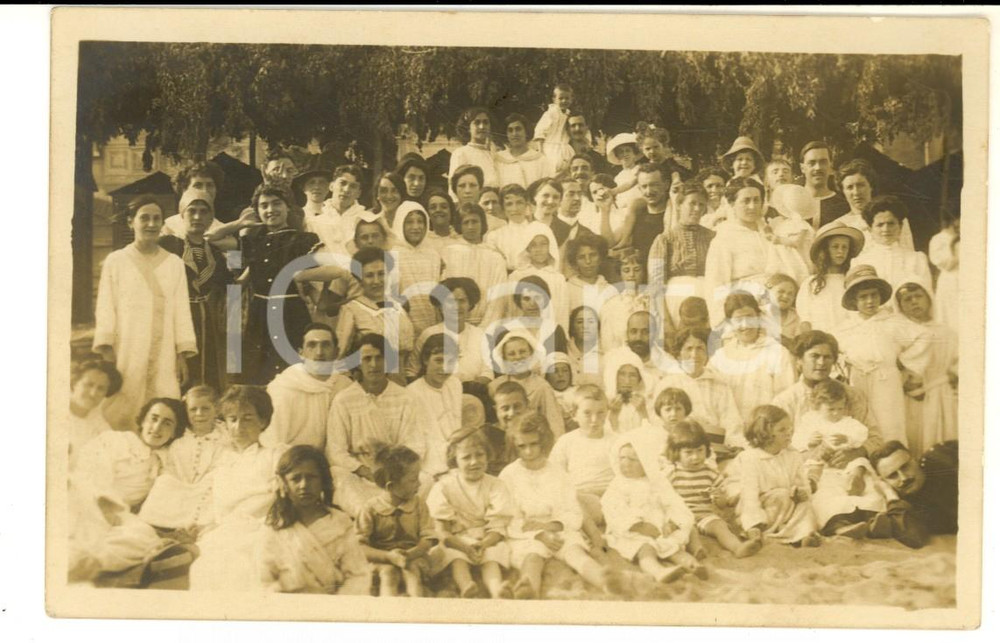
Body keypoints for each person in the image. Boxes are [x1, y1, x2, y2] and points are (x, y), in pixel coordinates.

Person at [93, 196, 198, 430]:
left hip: (164, 351)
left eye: (156, 219)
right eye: (144, 218)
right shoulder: (116, 261)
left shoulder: (174, 263)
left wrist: (182, 353)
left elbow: (181, 309)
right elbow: (105, 306)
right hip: (127, 347)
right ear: (131, 222)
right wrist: (107, 349)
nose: (151, 224)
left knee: (163, 404)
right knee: (122, 403)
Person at [500, 413, 627, 599]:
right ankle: (528, 590)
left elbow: (572, 510)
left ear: (543, 441)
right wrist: (539, 533)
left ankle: (606, 582)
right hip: (526, 533)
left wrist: (553, 526)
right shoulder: (509, 475)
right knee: (532, 557)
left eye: (533, 444)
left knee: (575, 553)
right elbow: (509, 517)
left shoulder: (557, 473)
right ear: (514, 445)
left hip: (558, 527)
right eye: (522, 446)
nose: (528, 451)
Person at [188, 386, 290, 591]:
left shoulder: (275, 455)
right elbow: (217, 507)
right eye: (232, 419)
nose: (238, 426)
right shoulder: (224, 463)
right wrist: (207, 524)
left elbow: (283, 497)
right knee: (207, 564)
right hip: (226, 531)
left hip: (263, 529)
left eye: (247, 418)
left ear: (263, 421)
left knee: (243, 563)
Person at [325, 333, 427, 518]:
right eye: (367, 359)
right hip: (360, 473)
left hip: (397, 472)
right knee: (338, 475)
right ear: (358, 364)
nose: (374, 365)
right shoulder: (344, 400)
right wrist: (365, 471)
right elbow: (336, 451)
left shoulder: (405, 398)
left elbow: (415, 443)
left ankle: (400, 515)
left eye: (379, 358)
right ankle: (369, 518)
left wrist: (395, 472)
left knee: (427, 480)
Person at [234, 184, 322, 385]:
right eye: (264, 206)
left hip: (291, 313)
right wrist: (240, 229)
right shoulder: (253, 242)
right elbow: (238, 278)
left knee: (293, 373)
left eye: (276, 204)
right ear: (257, 212)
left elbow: (318, 277)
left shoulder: (303, 240)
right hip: (259, 316)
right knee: (258, 372)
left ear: (288, 207)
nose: (270, 210)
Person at [836, 265, 932, 445]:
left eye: (874, 295)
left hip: (886, 380)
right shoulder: (845, 328)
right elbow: (835, 351)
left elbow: (924, 336)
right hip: (857, 381)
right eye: (863, 297)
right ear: (854, 301)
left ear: (880, 296)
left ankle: (894, 463)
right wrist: (845, 367)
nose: (870, 301)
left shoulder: (893, 322)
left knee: (889, 423)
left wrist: (904, 364)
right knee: (860, 422)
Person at [257, 445, 372, 595]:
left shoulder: (340, 523)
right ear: (283, 483)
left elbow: (358, 576)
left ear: (323, 481)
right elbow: (265, 581)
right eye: (296, 479)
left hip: (333, 605)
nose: (304, 485)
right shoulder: (273, 527)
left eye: (311, 477)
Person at [158, 188, 233, 393]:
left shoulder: (217, 254)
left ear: (211, 217)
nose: (198, 216)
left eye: (204, 211)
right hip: (176, 319)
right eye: (192, 211)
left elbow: (232, 283)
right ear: (182, 214)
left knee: (208, 375)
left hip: (207, 323)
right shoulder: (168, 245)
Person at [426, 427, 514, 598]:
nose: (474, 462)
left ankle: (497, 590)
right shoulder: (444, 486)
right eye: (466, 457)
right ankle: (466, 586)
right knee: (454, 556)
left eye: (480, 455)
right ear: (454, 460)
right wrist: (464, 547)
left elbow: (498, 526)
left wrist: (484, 543)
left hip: (486, 539)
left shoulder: (496, 485)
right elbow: (442, 531)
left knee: (492, 556)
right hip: (456, 540)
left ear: (487, 455)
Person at [602, 434, 699, 583]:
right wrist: (636, 526)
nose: (626, 463)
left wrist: (671, 522)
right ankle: (658, 571)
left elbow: (674, 504)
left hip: (660, 528)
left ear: (646, 462)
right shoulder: (617, 485)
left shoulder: (657, 481)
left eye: (633, 459)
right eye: (622, 458)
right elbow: (613, 510)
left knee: (673, 546)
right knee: (645, 549)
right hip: (632, 532)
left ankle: (692, 565)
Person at [771, 330, 884, 454]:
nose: (821, 362)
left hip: (849, 464)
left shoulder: (852, 395)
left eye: (827, 357)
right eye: (814, 356)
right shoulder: (784, 401)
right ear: (799, 360)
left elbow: (876, 439)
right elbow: (776, 445)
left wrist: (858, 453)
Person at [663, 420, 762, 558]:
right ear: (676, 453)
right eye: (688, 452)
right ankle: (697, 551)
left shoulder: (710, 473)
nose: (695, 457)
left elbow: (722, 505)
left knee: (720, 526)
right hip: (681, 515)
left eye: (700, 451)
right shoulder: (672, 473)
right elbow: (662, 497)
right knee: (686, 529)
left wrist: (719, 498)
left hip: (704, 516)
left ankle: (737, 547)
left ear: (707, 450)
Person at [138, 386, 228, 531]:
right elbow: (168, 462)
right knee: (164, 482)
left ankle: (194, 529)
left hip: (205, 486)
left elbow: (224, 464)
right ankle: (159, 525)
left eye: (205, 409)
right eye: (193, 409)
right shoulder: (180, 436)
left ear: (217, 410)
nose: (199, 414)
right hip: (178, 485)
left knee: (214, 489)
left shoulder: (224, 437)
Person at [730, 405, 821, 547]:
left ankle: (805, 535)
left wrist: (802, 491)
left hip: (788, 504)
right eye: (782, 430)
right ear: (764, 434)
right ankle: (761, 533)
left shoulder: (793, 455)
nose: (789, 433)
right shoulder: (751, 459)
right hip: (761, 508)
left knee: (805, 505)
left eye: (790, 428)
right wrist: (753, 524)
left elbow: (802, 482)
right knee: (781, 495)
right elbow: (750, 496)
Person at [74, 397, 187, 511]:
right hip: (89, 504)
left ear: (174, 432)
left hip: (123, 516)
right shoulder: (116, 441)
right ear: (143, 421)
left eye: (167, 423)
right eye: (153, 419)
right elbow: (87, 476)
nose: (157, 427)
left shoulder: (166, 463)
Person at [357, 445, 438, 597]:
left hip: (413, 557)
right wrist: (388, 557)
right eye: (413, 480)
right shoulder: (370, 509)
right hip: (382, 560)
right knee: (389, 574)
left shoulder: (419, 505)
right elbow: (360, 547)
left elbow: (428, 539)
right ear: (391, 486)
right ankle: (389, 610)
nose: (419, 484)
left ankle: (418, 609)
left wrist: (410, 554)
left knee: (412, 570)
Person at [707, 292, 796, 424]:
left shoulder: (778, 353)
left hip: (765, 431)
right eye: (738, 320)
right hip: (728, 433)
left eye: (750, 317)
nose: (745, 325)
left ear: (759, 317)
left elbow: (785, 401)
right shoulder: (719, 359)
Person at [792, 379, 889, 500]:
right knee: (813, 465)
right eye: (831, 409)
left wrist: (848, 439)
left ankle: (856, 480)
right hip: (820, 458)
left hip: (847, 458)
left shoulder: (848, 422)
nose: (836, 413)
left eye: (840, 408)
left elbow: (862, 435)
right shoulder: (810, 421)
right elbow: (796, 440)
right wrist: (809, 442)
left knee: (859, 463)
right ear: (817, 407)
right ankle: (812, 482)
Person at [262, 323, 352, 450]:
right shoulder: (284, 388)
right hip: (292, 461)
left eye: (326, 345)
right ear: (301, 353)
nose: (319, 352)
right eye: (311, 345)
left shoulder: (345, 386)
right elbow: (272, 443)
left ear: (336, 352)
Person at [654, 327, 745, 452]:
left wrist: (735, 446)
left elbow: (732, 423)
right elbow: (658, 423)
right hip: (679, 449)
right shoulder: (668, 384)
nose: (694, 355)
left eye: (700, 348)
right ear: (679, 353)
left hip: (715, 448)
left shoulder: (719, 384)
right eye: (689, 349)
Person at [895, 282, 958, 455]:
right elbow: (896, 365)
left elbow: (958, 362)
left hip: (943, 394)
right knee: (917, 438)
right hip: (913, 397)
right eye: (907, 299)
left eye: (919, 296)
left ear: (929, 299)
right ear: (899, 306)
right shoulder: (900, 333)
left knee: (945, 439)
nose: (914, 302)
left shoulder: (947, 332)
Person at [702, 177, 772, 327]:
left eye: (756, 200)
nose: (752, 206)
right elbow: (715, 284)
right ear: (733, 204)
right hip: (743, 309)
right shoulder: (724, 238)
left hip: (776, 302)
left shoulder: (770, 232)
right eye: (745, 201)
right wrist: (723, 321)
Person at [646, 180, 716, 327]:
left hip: (708, 298)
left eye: (701, 205)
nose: (697, 209)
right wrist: (665, 321)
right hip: (674, 301)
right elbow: (656, 285)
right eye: (692, 203)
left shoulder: (713, 238)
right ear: (679, 205)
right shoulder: (664, 240)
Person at [334, 248, 415, 370]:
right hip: (370, 379)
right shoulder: (351, 309)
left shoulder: (399, 305)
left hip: (402, 378)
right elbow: (340, 356)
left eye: (381, 274)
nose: (376, 281)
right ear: (359, 279)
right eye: (369, 275)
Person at [409, 278, 493, 384]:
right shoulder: (428, 334)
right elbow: (411, 371)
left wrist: (469, 388)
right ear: (440, 306)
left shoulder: (480, 335)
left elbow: (488, 372)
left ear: (470, 305)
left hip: (472, 394)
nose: (456, 307)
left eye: (462, 301)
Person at [871, 440, 958, 542]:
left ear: (915, 459)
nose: (903, 478)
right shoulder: (904, 504)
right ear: (884, 481)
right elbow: (913, 537)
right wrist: (890, 495)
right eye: (892, 475)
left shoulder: (941, 460)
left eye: (905, 467)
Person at [487, 329, 567, 438]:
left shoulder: (542, 387)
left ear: (531, 354)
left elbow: (554, 424)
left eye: (523, 352)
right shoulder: (494, 386)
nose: (518, 357)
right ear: (504, 358)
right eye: (511, 354)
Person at [440, 204, 508, 327]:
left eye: (475, 221)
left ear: (483, 224)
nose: (471, 227)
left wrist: (485, 329)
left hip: (486, 323)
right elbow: (445, 291)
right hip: (455, 322)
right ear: (459, 225)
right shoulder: (449, 252)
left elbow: (498, 298)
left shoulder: (495, 257)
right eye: (466, 222)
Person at [406, 333, 463, 480]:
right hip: (429, 464)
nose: (444, 368)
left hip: (458, 457)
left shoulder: (455, 384)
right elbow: (417, 442)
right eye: (438, 361)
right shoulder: (412, 393)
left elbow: (456, 427)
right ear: (425, 360)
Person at [851, 195, 932, 295]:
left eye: (891, 223)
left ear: (900, 226)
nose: (886, 229)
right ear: (870, 229)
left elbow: (926, 295)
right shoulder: (859, 262)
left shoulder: (917, 259)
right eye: (880, 225)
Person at [795, 222, 865, 336]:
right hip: (821, 340)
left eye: (844, 247)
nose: (840, 251)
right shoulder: (811, 283)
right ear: (825, 250)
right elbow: (805, 320)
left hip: (849, 338)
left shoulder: (851, 281)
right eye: (835, 246)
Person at [389, 201, 444, 337]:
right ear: (400, 223)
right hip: (403, 321)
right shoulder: (392, 254)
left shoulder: (433, 254)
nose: (416, 227)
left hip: (431, 320)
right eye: (409, 222)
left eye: (420, 222)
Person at [832, 159, 915, 251]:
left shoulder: (895, 218)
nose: (856, 192)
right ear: (843, 191)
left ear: (871, 186)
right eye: (850, 187)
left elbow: (908, 253)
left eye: (860, 185)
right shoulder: (839, 225)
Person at [67, 360, 122, 471]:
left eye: (101, 388)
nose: (93, 393)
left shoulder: (99, 422)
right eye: (88, 385)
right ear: (74, 383)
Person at [308, 164, 369, 255]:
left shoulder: (367, 219)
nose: (346, 189)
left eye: (353, 186)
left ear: (358, 193)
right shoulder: (313, 221)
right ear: (331, 186)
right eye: (342, 183)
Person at [484, 183, 540, 271]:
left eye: (519, 202)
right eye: (509, 204)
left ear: (526, 205)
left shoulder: (538, 231)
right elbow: (495, 266)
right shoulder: (495, 236)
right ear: (503, 208)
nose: (515, 208)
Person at [799, 141, 849, 227]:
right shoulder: (792, 202)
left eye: (823, 162)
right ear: (802, 168)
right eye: (812, 163)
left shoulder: (843, 205)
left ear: (830, 165)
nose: (818, 168)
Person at [449, 107, 499, 191]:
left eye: (486, 122)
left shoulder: (495, 153)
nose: (482, 126)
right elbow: (454, 187)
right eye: (477, 123)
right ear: (468, 128)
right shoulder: (461, 153)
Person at [532, 83, 575, 176]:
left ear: (571, 99)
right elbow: (540, 132)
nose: (564, 101)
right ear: (554, 100)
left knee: (568, 172)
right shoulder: (550, 114)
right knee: (552, 172)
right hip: (551, 148)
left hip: (565, 148)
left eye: (567, 98)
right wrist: (541, 152)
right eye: (560, 98)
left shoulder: (568, 115)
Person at [496, 112, 547, 188]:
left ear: (526, 131)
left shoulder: (540, 159)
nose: (514, 134)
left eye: (518, 129)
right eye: (510, 130)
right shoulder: (499, 159)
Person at [928, 217, 960, 337]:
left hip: (965, 279)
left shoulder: (965, 235)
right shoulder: (939, 239)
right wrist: (957, 255)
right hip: (950, 280)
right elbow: (942, 262)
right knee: (949, 314)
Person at [551, 178, 598, 249]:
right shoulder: (547, 230)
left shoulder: (589, 234)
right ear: (558, 198)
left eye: (579, 194)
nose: (577, 198)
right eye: (571, 194)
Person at [764, 273, 805, 351]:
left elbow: (799, 346)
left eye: (790, 294)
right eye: (781, 291)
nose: (786, 296)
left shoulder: (798, 317)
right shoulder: (758, 313)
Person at [605, 132, 643, 208]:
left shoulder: (640, 169)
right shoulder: (618, 177)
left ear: (634, 153)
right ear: (617, 156)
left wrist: (613, 191)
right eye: (621, 152)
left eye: (628, 150)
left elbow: (630, 184)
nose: (625, 154)